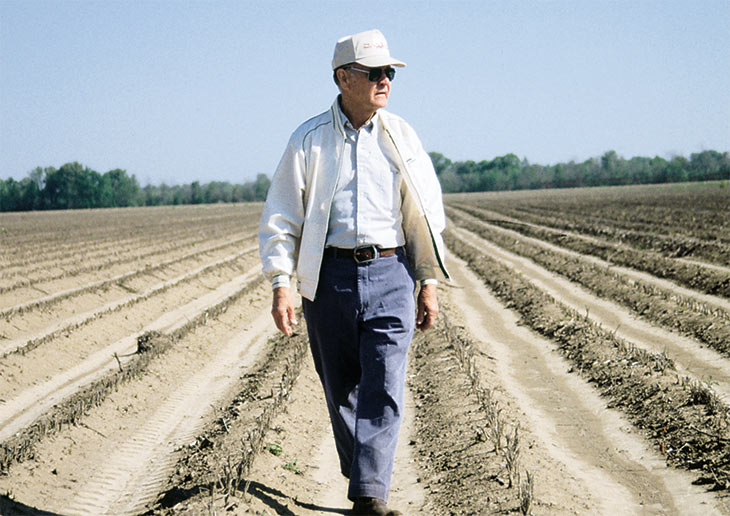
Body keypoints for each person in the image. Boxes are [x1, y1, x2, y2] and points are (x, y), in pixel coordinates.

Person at [258, 28, 449, 516]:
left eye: (390, 72)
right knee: (339, 385)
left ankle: (369, 497)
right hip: (329, 278)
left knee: (384, 383)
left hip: (391, 273)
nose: (386, 80)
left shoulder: (402, 137)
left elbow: (422, 214)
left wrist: (427, 281)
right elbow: (281, 218)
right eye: (375, 72)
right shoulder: (308, 141)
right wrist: (282, 284)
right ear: (344, 78)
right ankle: (365, 475)